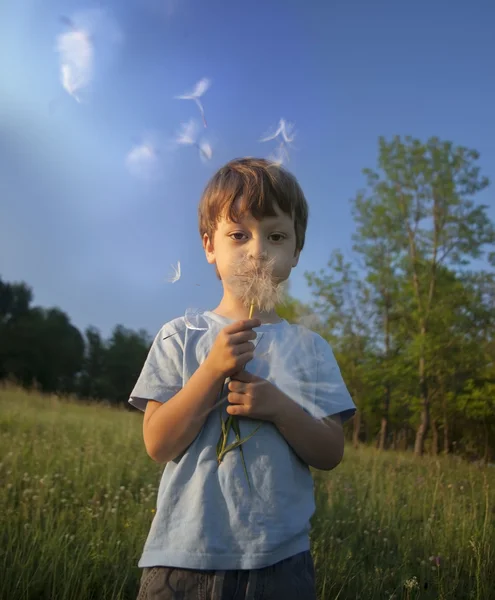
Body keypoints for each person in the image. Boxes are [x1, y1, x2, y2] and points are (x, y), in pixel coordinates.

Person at [129, 157, 357, 600]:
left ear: (295, 251)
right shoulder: (181, 337)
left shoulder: (311, 350)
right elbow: (158, 443)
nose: (257, 251)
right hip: (182, 558)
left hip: (279, 564)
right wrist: (211, 370)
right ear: (209, 246)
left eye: (276, 236)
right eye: (239, 235)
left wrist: (280, 409)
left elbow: (330, 452)